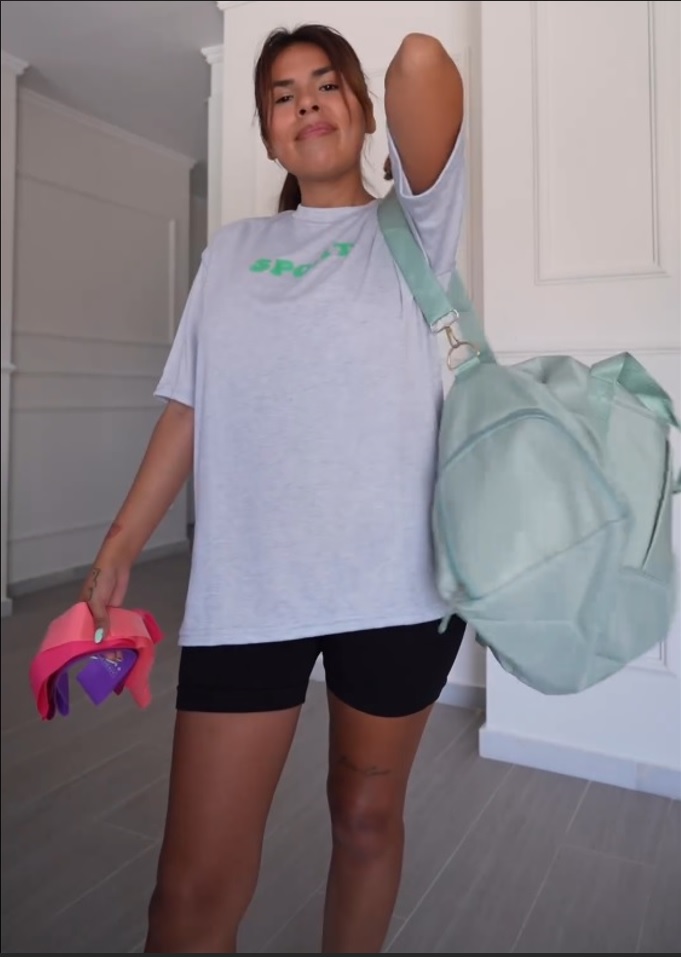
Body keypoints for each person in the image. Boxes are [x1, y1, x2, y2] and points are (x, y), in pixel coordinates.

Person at [78, 22, 467, 954]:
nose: (306, 106)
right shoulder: (231, 254)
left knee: (364, 821)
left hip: (396, 589)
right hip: (248, 590)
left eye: (326, 85)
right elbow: (191, 406)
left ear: (362, 109)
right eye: (282, 97)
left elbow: (422, 63)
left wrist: (394, 105)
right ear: (265, 136)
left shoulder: (413, 231)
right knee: (188, 895)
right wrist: (123, 541)